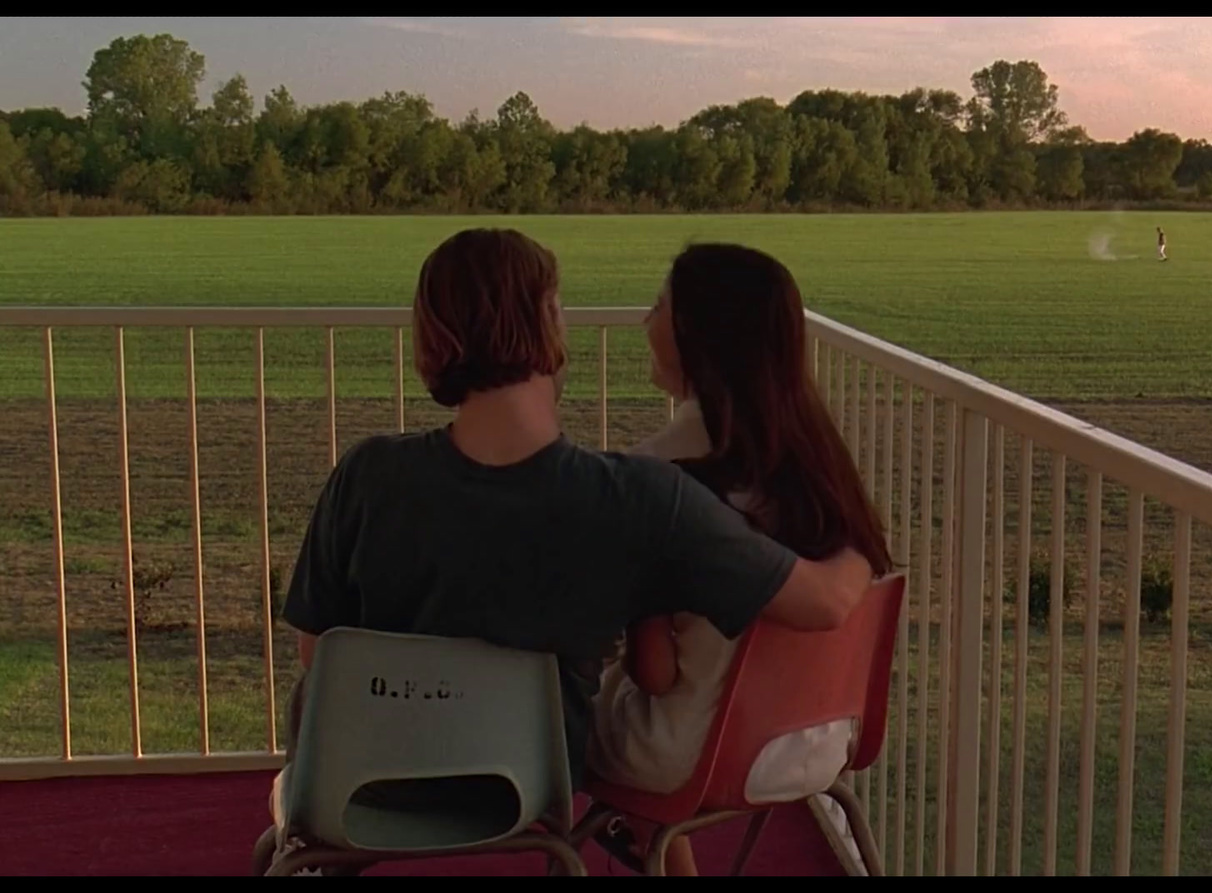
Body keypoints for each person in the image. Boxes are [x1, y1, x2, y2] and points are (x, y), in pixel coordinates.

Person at [272, 230, 874, 859]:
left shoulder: (366, 474)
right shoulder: (640, 499)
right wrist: (856, 532)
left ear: (432, 337)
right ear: (550, 322)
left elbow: (320, 654)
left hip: (353, 789)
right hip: (522, 791)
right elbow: (823, 601)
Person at [588, 244, 891, 876]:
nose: (646, 322)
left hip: (696, 756)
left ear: (700, 334)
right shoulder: (821, 474)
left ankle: (648, 847)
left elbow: (656, 673)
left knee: (577, 708)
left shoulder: (654, 477)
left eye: (659, 307)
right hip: (817, 742)